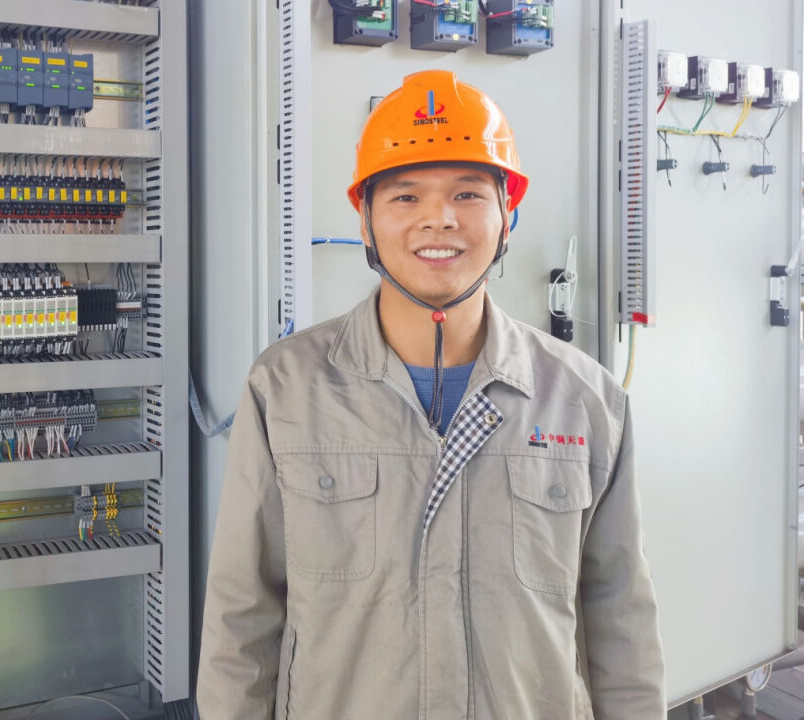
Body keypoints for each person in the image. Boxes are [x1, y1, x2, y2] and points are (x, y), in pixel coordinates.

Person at [196, 70, 666, 719]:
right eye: (406, 196)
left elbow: (621, 621)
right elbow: (242, 618)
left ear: (507, 217)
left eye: (468, 194)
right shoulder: (286, 390)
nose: (439, 219)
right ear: (365, 222)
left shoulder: (586, 401)